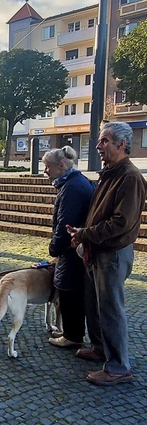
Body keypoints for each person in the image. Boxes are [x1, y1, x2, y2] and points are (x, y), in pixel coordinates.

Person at [68, 122, 147, 386]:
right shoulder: (111, 172)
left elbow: (121, 223)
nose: (98, 146)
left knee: (111, 308)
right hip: (97, 250)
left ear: (120, 145)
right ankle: (100, 349)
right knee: (96, 304)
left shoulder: (130, 177)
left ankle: (118, 367)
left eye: (104, 141)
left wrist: (86, 234)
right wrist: (83, 233)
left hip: (112, 253)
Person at [42, 146, 94, 349]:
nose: (45, 170)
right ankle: (72, 332)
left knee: (68, 290)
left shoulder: (71, 188)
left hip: (72, 251)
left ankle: (72, 336)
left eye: (48, 167)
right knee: (71, 290)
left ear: (61, 166)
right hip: (76, 248)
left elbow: (65, 224)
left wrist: (53, 249)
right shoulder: (75, 182)